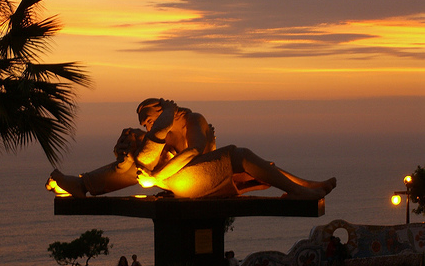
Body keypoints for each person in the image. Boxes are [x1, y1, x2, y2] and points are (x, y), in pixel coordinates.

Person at [47, 98, 336, 199]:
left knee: (249, 160)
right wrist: (130, 149)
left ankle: (305, 186)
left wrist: (159, 177)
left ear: (162, 113)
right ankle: (81, 184)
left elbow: (194, 153)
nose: (147, 127)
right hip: (182, 181)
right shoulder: (158, 133)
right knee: (240, 155)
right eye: (146, 124)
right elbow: (146, 163)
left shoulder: (191, 121)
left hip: (188, 176)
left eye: (149, 121)